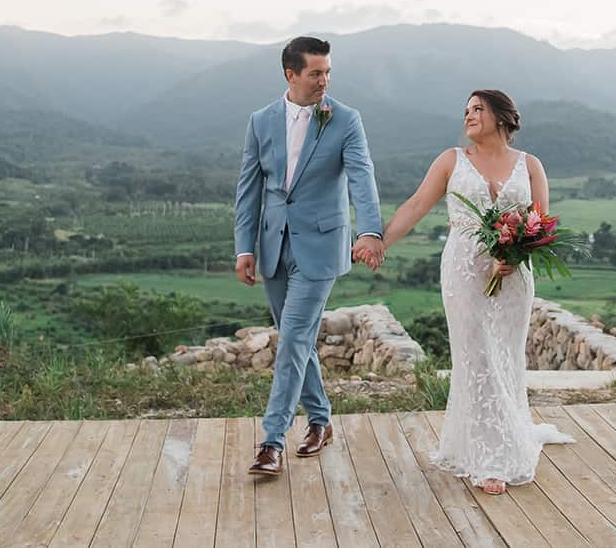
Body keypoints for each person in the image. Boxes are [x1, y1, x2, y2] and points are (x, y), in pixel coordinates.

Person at [380, 88, 573, 495]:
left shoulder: (530, 164)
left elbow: (540, 224)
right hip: (464, 272)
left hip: (514, 277)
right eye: (466, 110)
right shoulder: (450, 160)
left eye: (478, 109)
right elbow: (416, 205)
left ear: (501, 116)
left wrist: (516, 256)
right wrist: (380, 242)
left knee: (505, 356)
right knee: (476, 356)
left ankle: (508, 436)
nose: (468, 115)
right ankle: (489, 458)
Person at [233, 35, 385, 478]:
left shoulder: (346, 119)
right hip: (273, 247)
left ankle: (271, 442)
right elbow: (249, 189)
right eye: (316, 73)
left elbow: (362, 177)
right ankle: (321, 420)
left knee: (293, 340)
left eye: (328, 72)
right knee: (295, 338)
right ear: (291, 74)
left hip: (321, 247)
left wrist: (370, 230)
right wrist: (245, 247)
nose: (325, 81)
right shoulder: (260, 121)